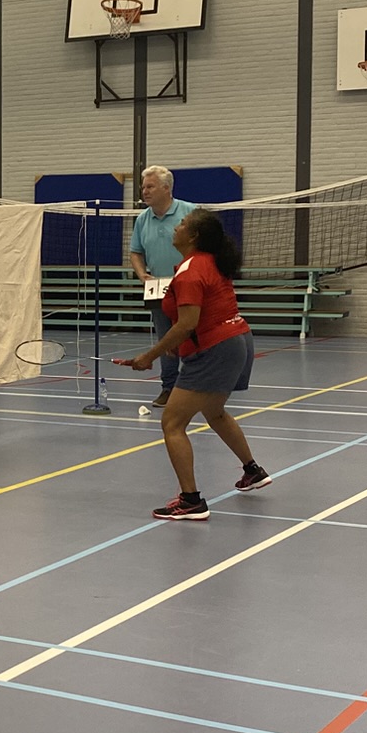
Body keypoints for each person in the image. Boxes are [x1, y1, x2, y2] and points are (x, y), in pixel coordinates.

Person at [116, 208, 271, 521]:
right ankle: (252, 470)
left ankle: (191, 501)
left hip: (216, 349)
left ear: (193, 236)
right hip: (237, 340)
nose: (177, 227)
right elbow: (201, 315)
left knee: (172, 423)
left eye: (183, 224)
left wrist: (150, 356)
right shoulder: (209, 261)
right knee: (214, 412)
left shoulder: (190, 271)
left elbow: (187, 323)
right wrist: (179, 345)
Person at [126, 166, 195, 410]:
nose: (144, 191)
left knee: (194, 335)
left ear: (166, 188)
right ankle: (169, 388)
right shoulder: (142, 219)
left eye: (150, 186)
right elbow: (135, 252)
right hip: (158, 289)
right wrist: (142, 274)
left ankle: (197, 386)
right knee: (166, 339)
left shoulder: (190, 212)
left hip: (190, 287)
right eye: (143, 187)